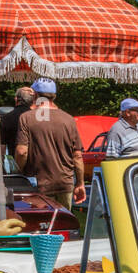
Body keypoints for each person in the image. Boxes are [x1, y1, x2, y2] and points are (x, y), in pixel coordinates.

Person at [15, 79, 85, 209]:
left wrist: (18, 172)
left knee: (41, 224)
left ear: (35, 95)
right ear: (55, 96)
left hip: (38, 183)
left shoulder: (26, 118)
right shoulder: (69, 119)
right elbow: (77, 156)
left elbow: (21, 152)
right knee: (63, 224)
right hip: (65, 183)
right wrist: (80, 183)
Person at [0, 86, 34, 161]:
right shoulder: (36, 117)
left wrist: (1, 165)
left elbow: (2, 147)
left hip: (14, 161)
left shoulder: (6, 118)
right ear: (32, 101)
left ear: (16, 99)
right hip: (35, 163)